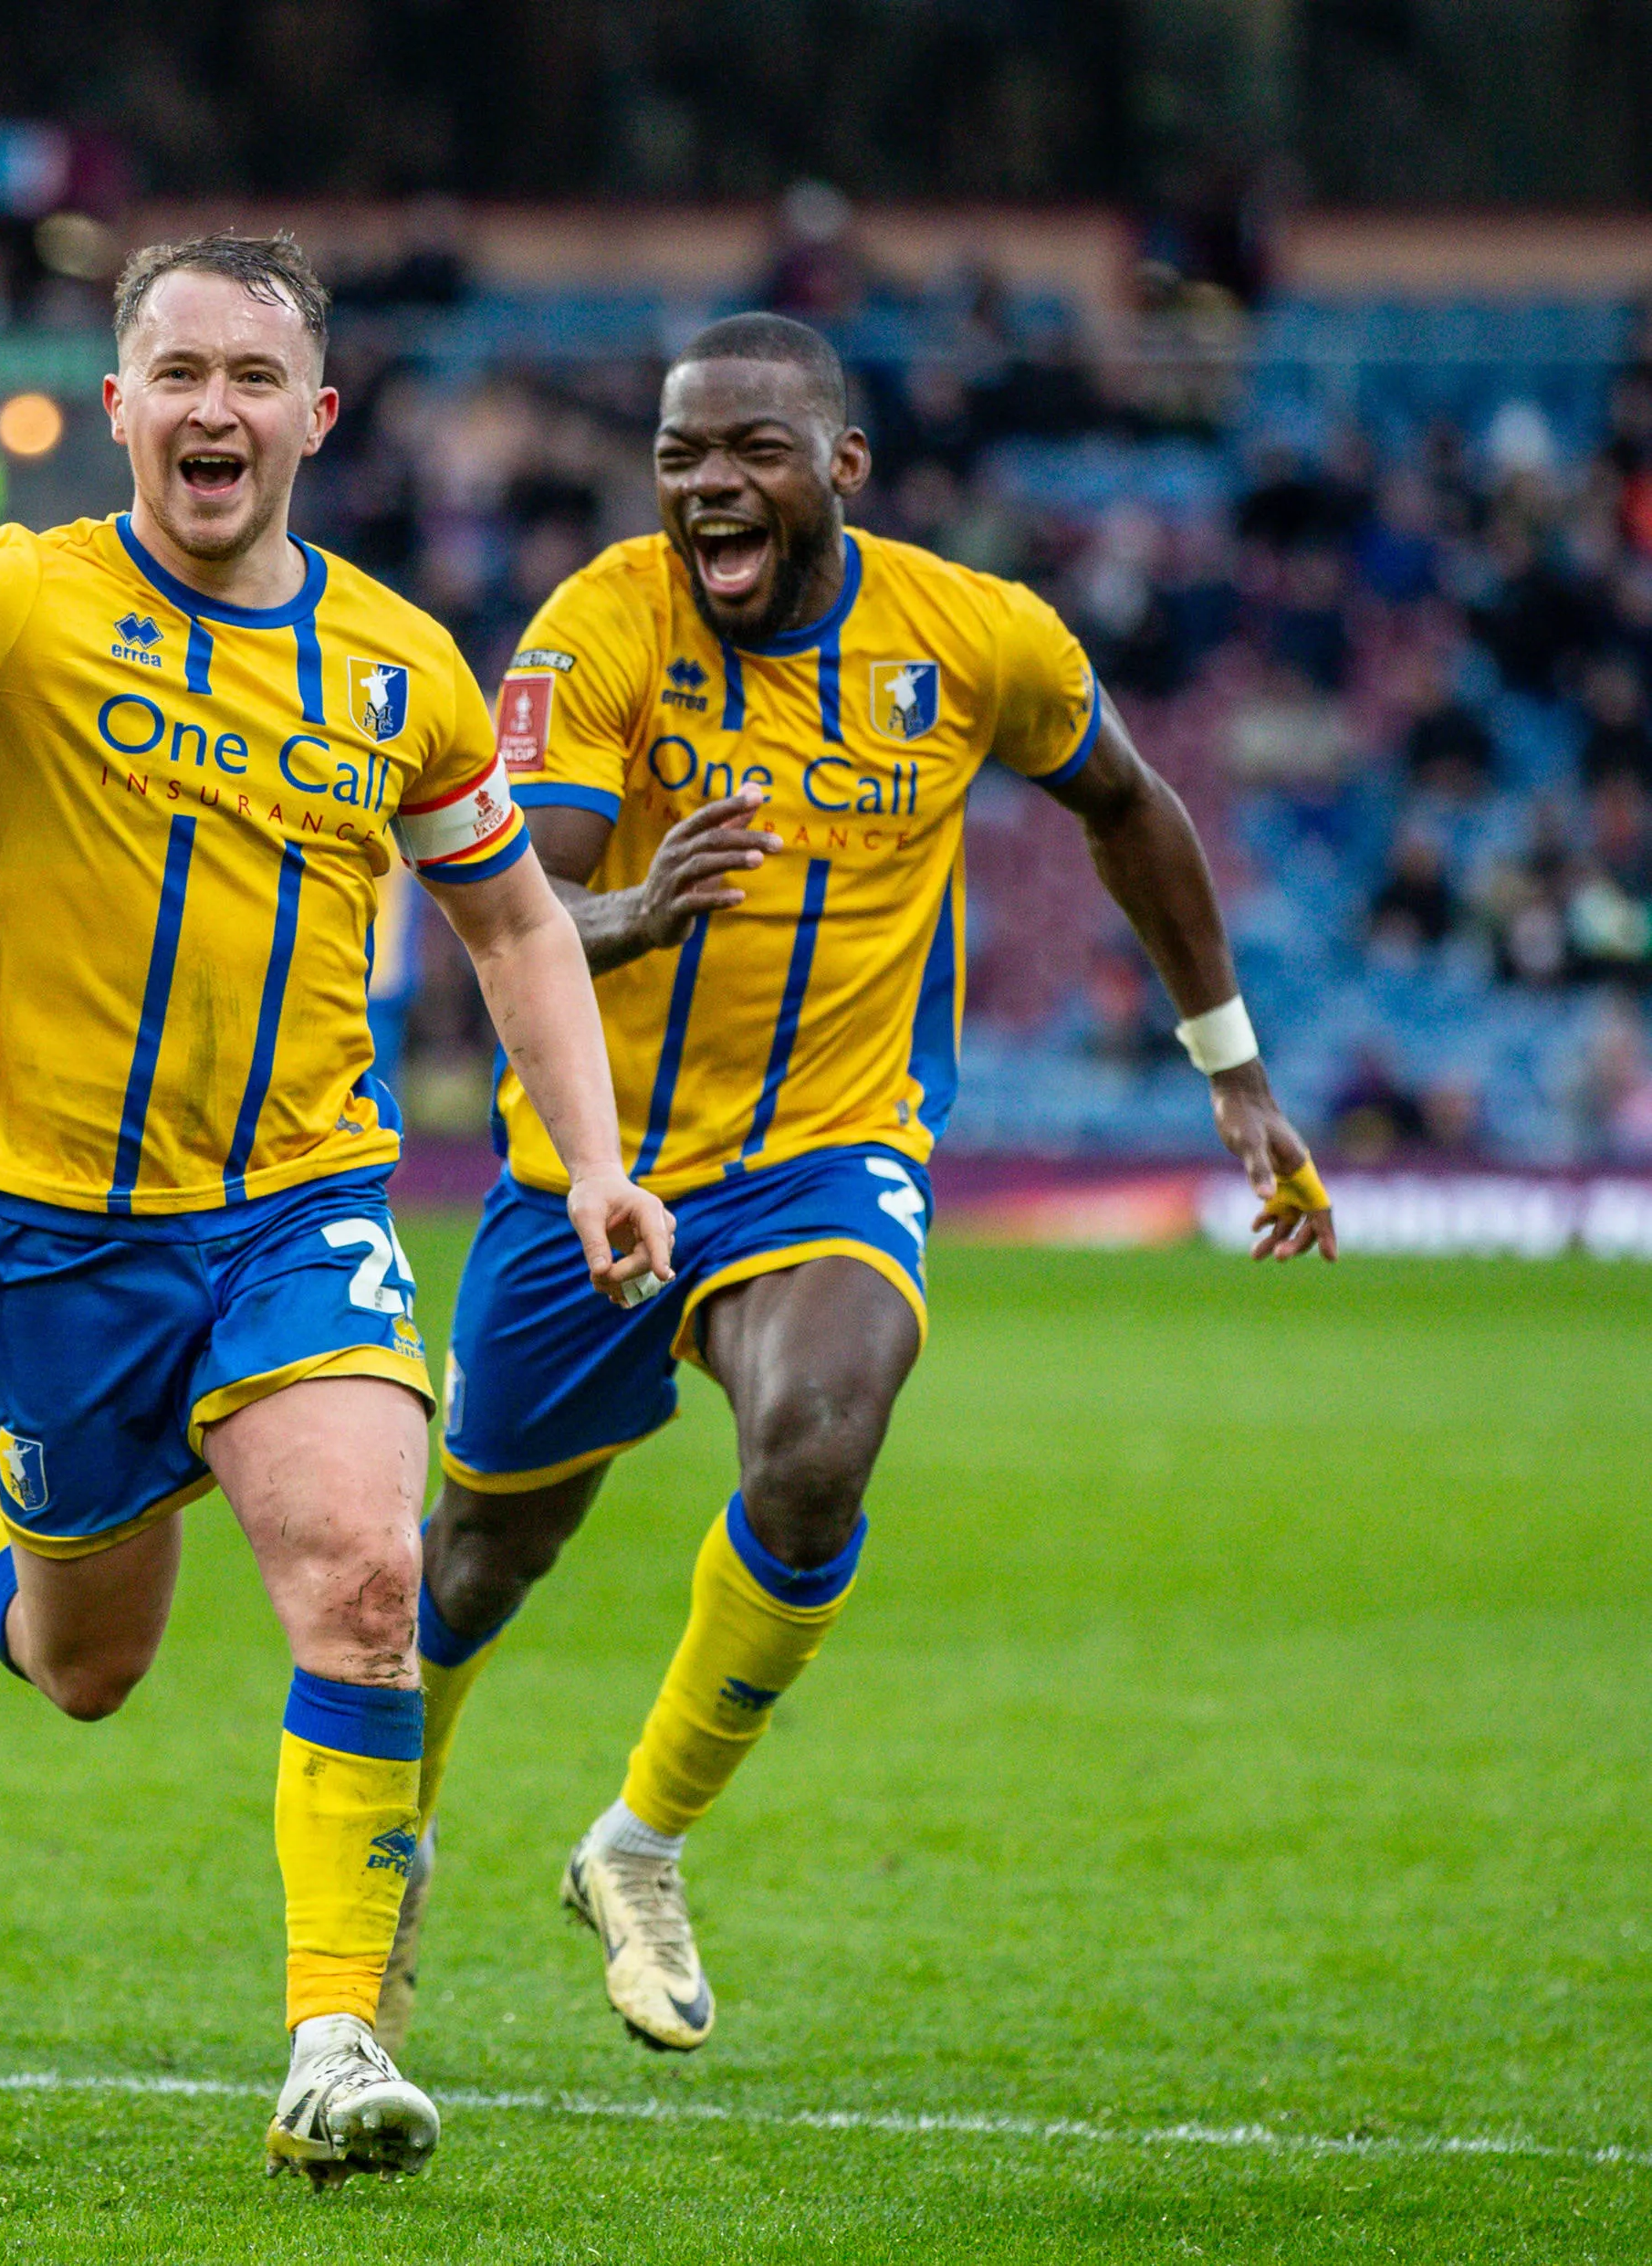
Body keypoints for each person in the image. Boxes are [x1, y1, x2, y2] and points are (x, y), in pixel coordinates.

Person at [0, 233, 674, 2186]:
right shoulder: (15, 601)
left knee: (363, 1577)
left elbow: (511, 913)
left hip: (297, 1205)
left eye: (255, 377)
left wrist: (594, 1159)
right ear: (118, 407)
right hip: (56, 1238)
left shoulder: (400, 666)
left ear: (316, 416)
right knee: (92, 1663)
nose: (214, 410)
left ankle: (334, 2039)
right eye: (178, 373)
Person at [379, 312, 1334, 2058]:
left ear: (842, 466)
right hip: (587, 1169)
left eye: (746, 450)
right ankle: (394, 1834)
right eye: (677, 457)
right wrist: (634, 914)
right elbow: (508, 911)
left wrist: (1237, 1075)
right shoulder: (600, 624)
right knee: (475, 1562)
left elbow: (1130, 808)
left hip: (830, 1151)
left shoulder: (976, 638)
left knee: (820, 1437)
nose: (703, 488)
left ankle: (638, 1841)